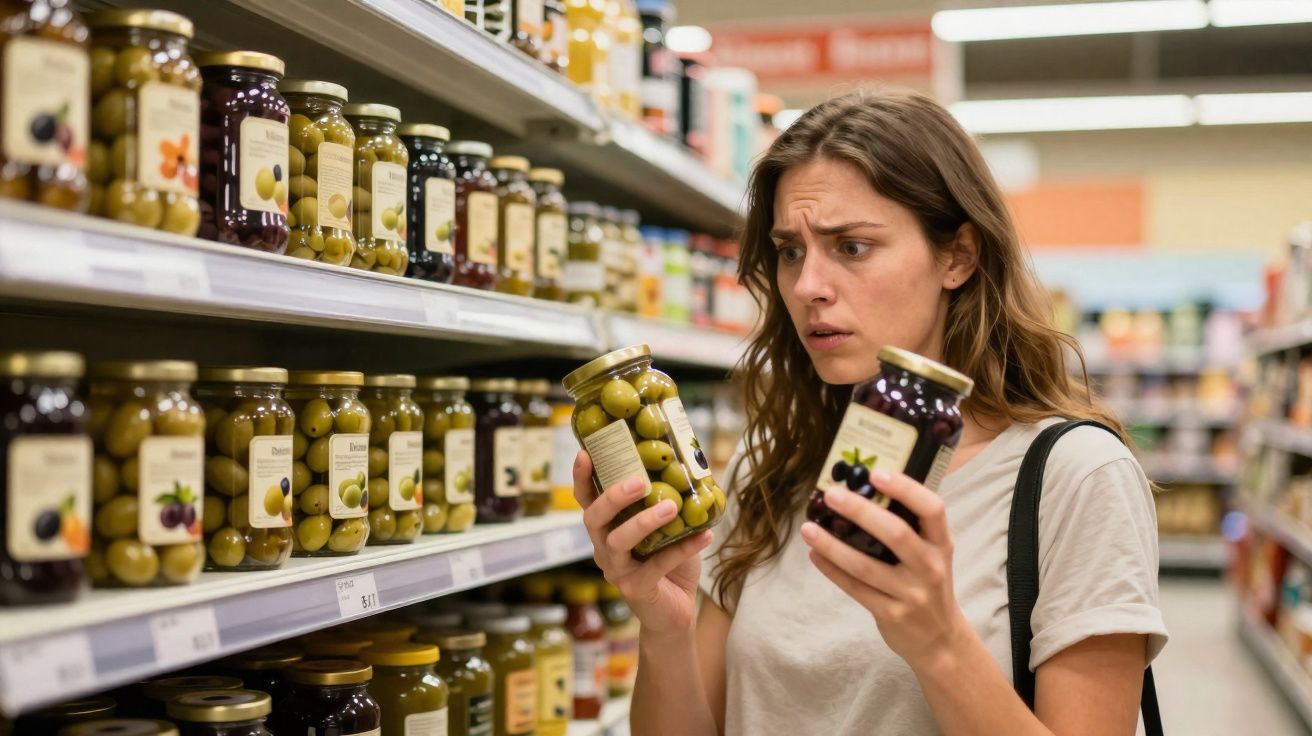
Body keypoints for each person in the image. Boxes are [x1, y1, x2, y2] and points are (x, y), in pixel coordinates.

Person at [572, 89, 1168, 735]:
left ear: (957, 256)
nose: (806, 287)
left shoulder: (1075, 476)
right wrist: (663, 628)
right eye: (791, 251)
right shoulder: (770, 462)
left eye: (851, 247)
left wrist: (939, 642)